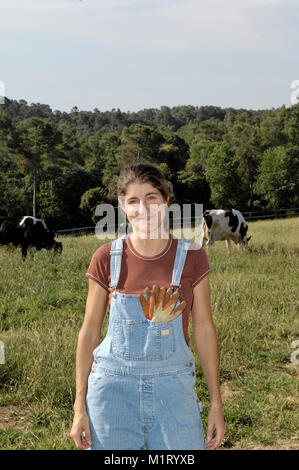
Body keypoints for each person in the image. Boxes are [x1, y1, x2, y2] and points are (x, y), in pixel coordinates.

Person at [70, 163, 226, 450]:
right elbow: (89, 332)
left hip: (174, 393)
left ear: (167, 199)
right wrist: (79, 406)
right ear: (122, 206)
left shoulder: (193, 257)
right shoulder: (106, 258)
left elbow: (204, 329)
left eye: (152, 197)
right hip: (112, 395)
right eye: (133, 201)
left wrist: (216, 403)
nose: (143, 208)